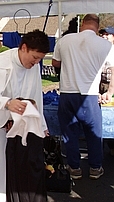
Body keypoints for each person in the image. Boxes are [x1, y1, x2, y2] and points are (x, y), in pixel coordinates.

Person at [0, 29, 49, 202]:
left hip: (17, 129)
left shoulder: (33, 66)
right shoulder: (2, 64)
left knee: (14, 174)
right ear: (23, 48)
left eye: (39, 59)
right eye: (34, 57)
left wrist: (41, 125)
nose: (35, 63)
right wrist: (7, 103)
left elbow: (36, 96)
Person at [52, 14, 114, 180]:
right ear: (96, 25)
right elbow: (113, 68)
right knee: (94, 134)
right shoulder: (105, 44)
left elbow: (55, 63)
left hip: (67, 92)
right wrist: (109, 92)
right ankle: (95, 167)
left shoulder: (64, 41)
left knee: (69, 134)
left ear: (82, 25)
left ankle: (74, 167)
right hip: (90, 94)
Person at [99, 26, 114, 156]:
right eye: (102, 34)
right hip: (101, 84)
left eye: (107, 34)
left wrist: (110, 91)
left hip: (111, 85)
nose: (104, 36)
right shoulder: (99, 50)